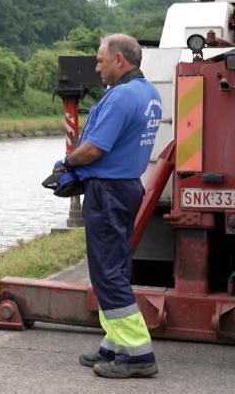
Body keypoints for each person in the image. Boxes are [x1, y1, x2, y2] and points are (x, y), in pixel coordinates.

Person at [57, 33, 163, 379]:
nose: (97, 66)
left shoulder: (121, 97)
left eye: (101, 60)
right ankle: (115, 344)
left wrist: (67, 163)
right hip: (128, 186)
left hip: (108, 191)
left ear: (120, 60)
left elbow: (95, 148)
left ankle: (138, 355)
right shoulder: (149, 94)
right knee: (115, 268)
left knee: (107, 273)